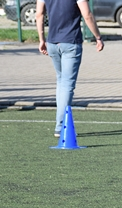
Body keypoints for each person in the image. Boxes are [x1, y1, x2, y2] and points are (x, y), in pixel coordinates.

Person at [36, 0, 103, 138]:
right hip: (70, 42)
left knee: (61, 82)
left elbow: (39, 14)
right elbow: (87, 15)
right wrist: (98, 37)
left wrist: (41, 39)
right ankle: (60, 127)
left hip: (52, 42)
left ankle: (60, 124)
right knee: (67, 85)